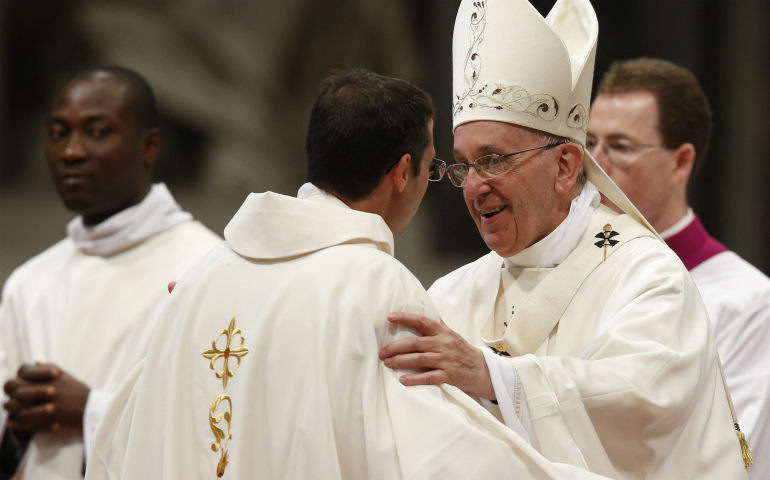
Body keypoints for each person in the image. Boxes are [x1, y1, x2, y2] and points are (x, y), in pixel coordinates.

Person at [84, 69, 606, 480]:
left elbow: (127, 434)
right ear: (403, 173)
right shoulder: (375, 285)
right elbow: (437, 456)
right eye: (432, 169)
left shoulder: (203, 274)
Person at [379, 0, 749, 479]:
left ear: (566, 166)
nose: (473, 187)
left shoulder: (648, 277)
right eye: (464, 165)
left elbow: (641, 403)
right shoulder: (452, 294)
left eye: (494, 160)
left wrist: (495, 377)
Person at [0, 66, 221, 480]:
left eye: (98, 132)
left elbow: (221, 417)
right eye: (59, 132)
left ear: (149, 146)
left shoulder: (207, 268)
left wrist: (91, 409)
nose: (72, 151)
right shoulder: (30, 281)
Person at [586, 57, 770, 480]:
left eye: (619, 146)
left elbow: (736, 458)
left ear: (681, 162)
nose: (595, 166)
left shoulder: (747, 302)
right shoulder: (572, 276)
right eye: (589, 144)